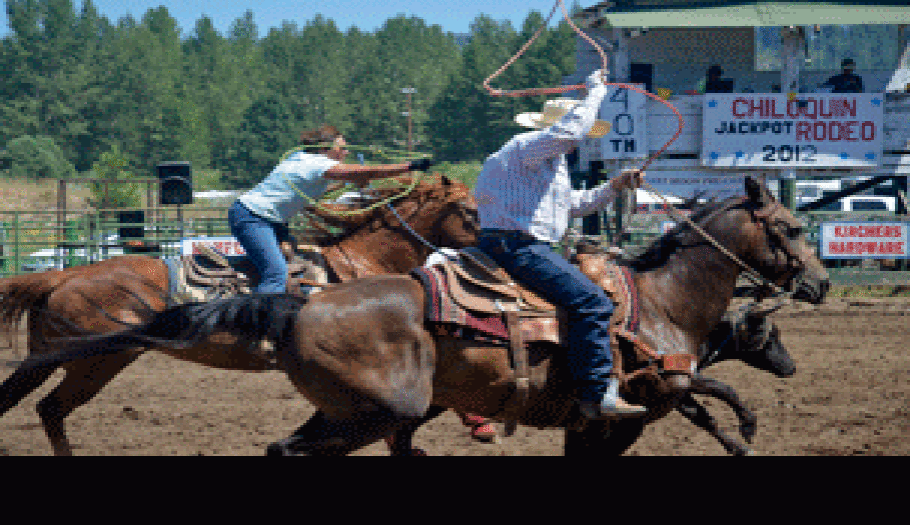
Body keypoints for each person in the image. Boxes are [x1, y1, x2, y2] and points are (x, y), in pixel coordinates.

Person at [473, 69, 648, 420]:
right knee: (594, 303)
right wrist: (595, 92)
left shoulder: (548, 164)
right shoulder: (527, 147)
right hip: (518, 247)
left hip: (518, 245)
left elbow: (575, 205)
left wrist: (616, 185)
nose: (579, 140)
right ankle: (596, 392)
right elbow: (569, 132)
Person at [229, 124, 432, 294]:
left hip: (270, 220)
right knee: (276, 273)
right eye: (342, 148)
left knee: (293, 264)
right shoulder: (315, 164)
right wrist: (409, 166)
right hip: (253, 218)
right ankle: (260, 326)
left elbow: (330, 182)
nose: (346, 152)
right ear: (326, 148)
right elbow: (366, 170)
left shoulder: (303, 159)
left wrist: (352, 181)